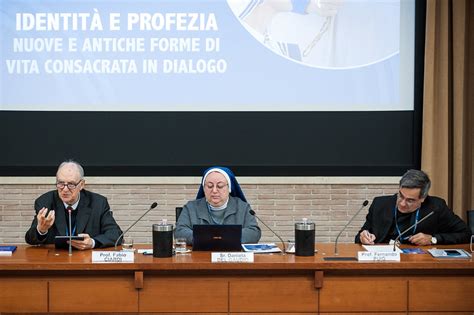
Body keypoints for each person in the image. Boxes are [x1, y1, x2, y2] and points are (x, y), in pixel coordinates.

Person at [356, 169, 472, 245]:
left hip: (419, 262)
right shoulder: (380, 204)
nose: (402, 203)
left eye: (410, 200)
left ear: (423, 198)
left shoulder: (436, 207)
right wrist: (363, 237)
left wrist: (433, 239)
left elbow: (466, 234)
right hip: (383, 261)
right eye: (401, 196)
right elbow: (360, 236)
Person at [25, 160, 122, 249]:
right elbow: (30, 239)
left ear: (82, 185)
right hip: (55, 259)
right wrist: (41, 230)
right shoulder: (45, 202)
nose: (65, 189)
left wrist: (92, 242)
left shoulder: (98, 203)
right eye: (61, 183)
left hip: (86, 261)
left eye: (71, 184)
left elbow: (116, 234)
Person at [175, 166, 261, 245]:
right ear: (204, 188)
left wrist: (218, 238)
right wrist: (210, 238)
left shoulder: (243, 207)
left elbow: (254, 232)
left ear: (229, 188)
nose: (214, 190)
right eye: (209, 186)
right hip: (200, 257)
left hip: (232, 257)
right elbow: (179, 231)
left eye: (220, 186)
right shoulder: (191, 207)